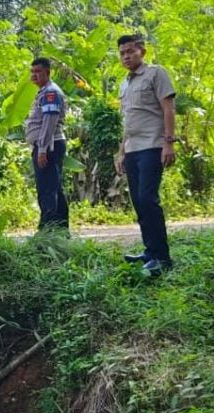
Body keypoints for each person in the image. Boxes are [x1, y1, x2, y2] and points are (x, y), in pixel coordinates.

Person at [114, 33, 176, 276]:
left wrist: (168, 143)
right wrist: (120, 153)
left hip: (152, 145)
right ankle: (150, 252)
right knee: (139, 202)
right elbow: (127, 122)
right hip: (132, 149)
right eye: (122, 53)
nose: (126, 56)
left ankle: (162, 258)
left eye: (130, 51)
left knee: (148, 199)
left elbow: (168, 108)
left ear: (143, 51)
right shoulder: (124, 83)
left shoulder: (156, 73)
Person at [24, 57, 69, 233]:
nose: (34, 75)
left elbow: (49, 123)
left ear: (48, 73)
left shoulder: (51, 93)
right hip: (48, 145)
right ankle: (61, 230)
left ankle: (47, 230)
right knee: (54, 186)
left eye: (38, 72)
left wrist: (42, 149)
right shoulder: (43, 92)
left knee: (47, 189)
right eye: (32, 71)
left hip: (49, 146)